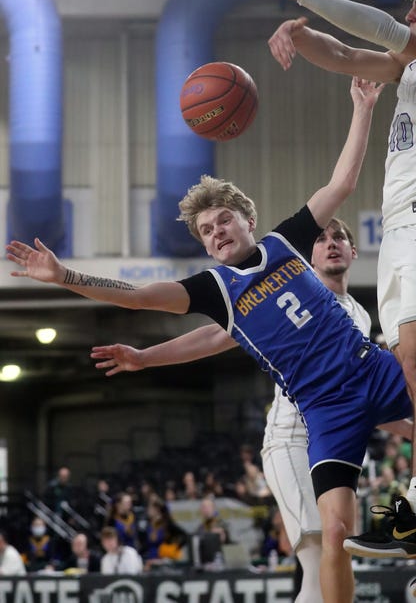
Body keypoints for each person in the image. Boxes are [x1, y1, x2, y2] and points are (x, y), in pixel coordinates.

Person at [7, 76, 387, 603]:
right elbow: (143, 299)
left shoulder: (308, 276)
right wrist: (68, 276)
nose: (216, 233)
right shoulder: (220, 287)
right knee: (326, 556)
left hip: (335, 429)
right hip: (294, 435)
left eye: (224, 221)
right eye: (206, 230)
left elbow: (214, 341)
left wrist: (363, 105)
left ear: (248, 221)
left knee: (331, 560)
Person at [250, 0, 416, 599]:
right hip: (398, 235)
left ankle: (414, 513)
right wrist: (304, 38)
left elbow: (385, 34)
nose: (408, 12)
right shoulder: (410, 65)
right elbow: (352, 56)